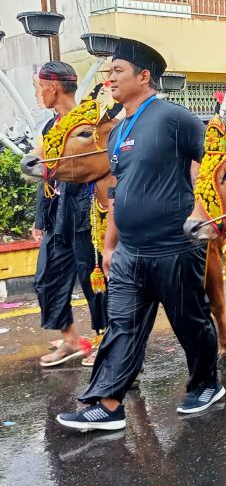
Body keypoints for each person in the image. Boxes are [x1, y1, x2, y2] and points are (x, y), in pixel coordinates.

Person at [56, 38, 223, 431]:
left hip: (174, 247)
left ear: (144, 77)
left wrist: (203, 212)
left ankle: (206, 383)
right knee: (122, 325)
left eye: (118, 71)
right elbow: (116, 190)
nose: (109, 78)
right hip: (130, 251)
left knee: (190, 321)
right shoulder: (118, 130)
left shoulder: (173, 118)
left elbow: (216, 166)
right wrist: (110, 244)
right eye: (108, 71)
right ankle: (108, 405)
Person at [33, 61, 108, 367]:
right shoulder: (51, 127)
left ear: (53, 88)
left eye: (40, 88)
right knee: (46, 278)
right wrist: (40, 218)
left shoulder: (89, 125)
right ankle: (71, 339)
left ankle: (107, 342)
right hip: (58, 214)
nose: (38, 94)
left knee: (94, 279)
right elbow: (43, 173)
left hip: (85, 212)